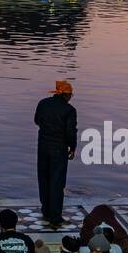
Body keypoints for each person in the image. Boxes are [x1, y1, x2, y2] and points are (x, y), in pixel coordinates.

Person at [35, 80, 78, 226]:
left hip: (42, 146)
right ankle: (55, 217)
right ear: (66, 95)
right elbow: (70, 132)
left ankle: (46, 210)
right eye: (71, 95)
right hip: (58, 149)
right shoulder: (69, 110)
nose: (71, 97)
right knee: (57, 182)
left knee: (44, 178)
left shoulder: (43, 103)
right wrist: (73, 148)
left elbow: (37, 121)